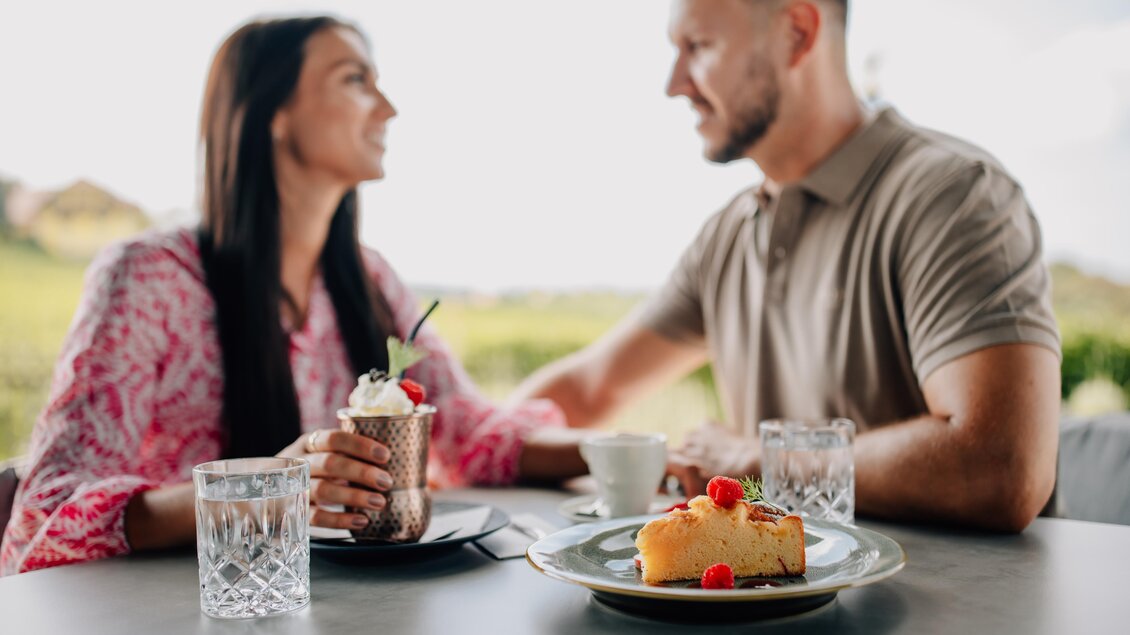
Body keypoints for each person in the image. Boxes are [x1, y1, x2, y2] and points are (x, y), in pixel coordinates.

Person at [0, 16, 578, 576]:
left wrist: (632, 452)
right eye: (355, 80)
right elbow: (49, 512)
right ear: (271, 111)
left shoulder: (371, 279)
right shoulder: (149, 278)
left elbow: (469, 432)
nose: (389, 109)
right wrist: (261, 490)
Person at [512, 0, 1061, 532]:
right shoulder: (726, 235)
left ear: (797, 33)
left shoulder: (954, 196)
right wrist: (461, 441)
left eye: (699, 46)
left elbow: (1003, 466)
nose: (674, 83)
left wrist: (757, 460)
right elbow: (586, 390)